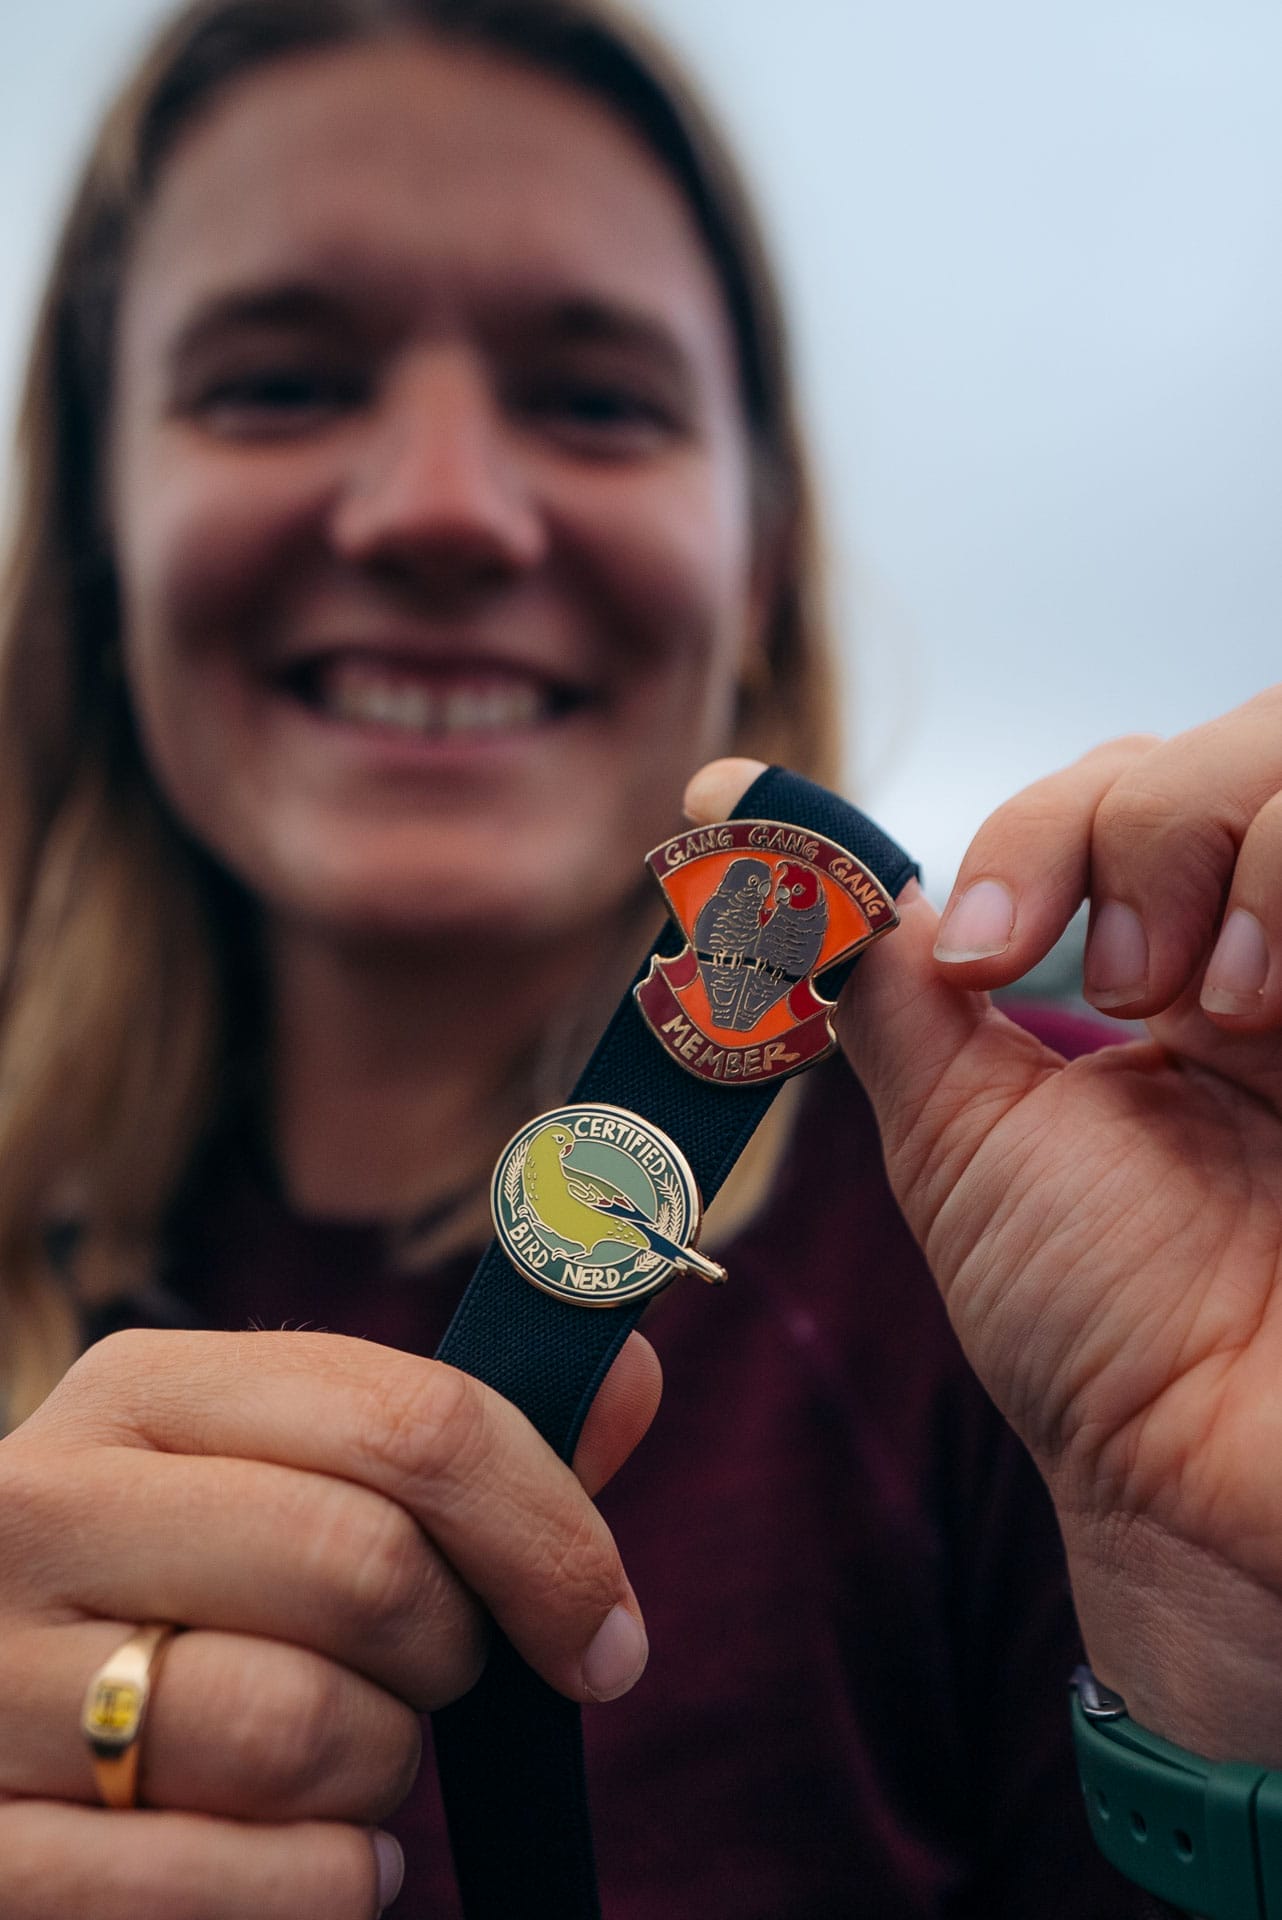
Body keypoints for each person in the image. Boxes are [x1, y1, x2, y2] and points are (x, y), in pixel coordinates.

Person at [0, 0, 1277, 1913]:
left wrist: (1240, 1709)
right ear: (99, 531)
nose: (441, 509)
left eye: (596, 401)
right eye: (277, 381)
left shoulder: (1099, 1254)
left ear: (756, 552)